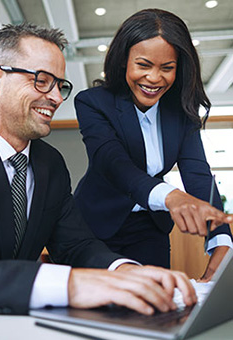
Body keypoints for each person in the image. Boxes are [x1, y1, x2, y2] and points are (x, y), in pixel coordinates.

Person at [0, 22, 196, 315]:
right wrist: (70, 284)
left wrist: (124, 270)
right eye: (41, 80)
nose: (58, 98)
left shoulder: (50, 164)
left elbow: (76, 244)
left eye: (60, 85)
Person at [74, 8, 233, 279]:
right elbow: (114, 163)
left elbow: (197, 174)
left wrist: (221, 240)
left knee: (155, 308)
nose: (155, 78)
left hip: (151, 228)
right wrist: (172, 197)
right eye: (144, 65)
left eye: (167, 68)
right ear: (124, 61)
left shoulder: (181, 111)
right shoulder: (92, 102)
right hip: (95, 227)